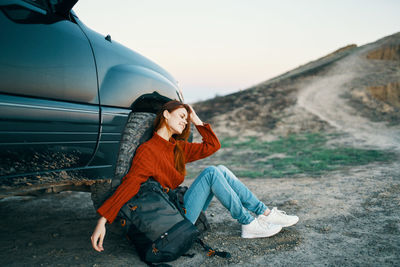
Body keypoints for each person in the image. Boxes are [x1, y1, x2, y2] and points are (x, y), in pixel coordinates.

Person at [91, 100, 299, 252]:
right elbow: (130, 184)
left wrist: (195, 117)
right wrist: (103, 221)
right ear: (165, 114)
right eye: (181, 116)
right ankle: (248, 223)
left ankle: (264, 214)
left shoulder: (177, 148)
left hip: (180, 208)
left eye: (186, 118)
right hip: (172, 219)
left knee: (221, 169)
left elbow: (213, 145)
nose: (184, 122)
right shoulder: (148, 150)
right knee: (211, 173)